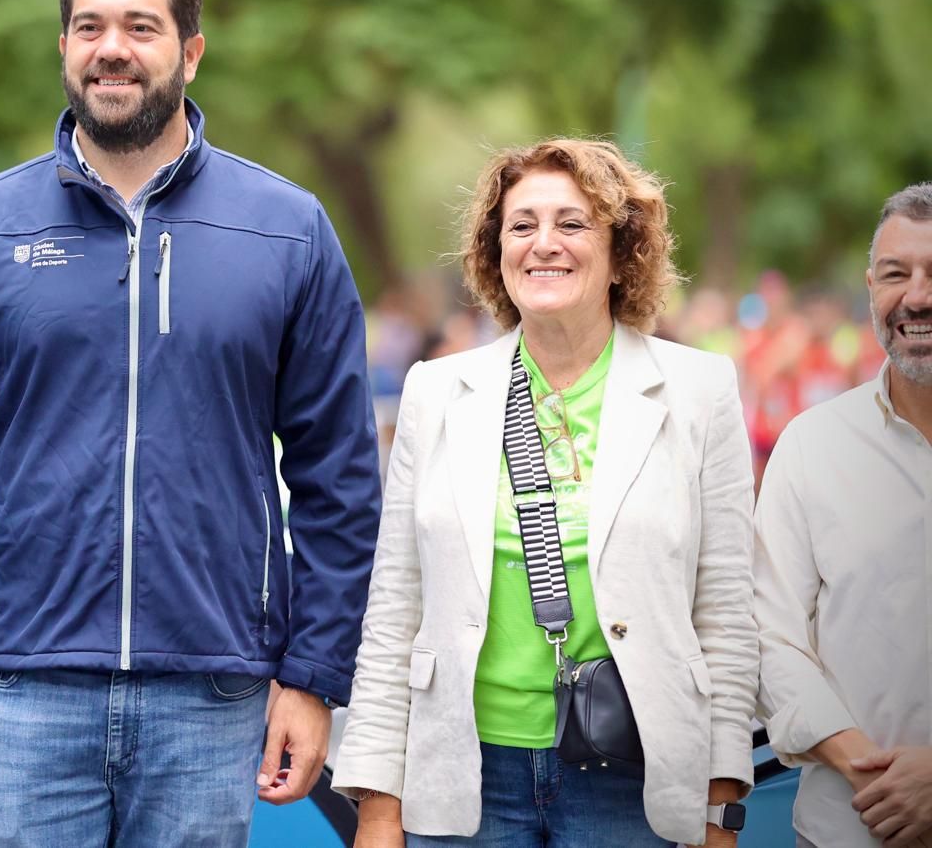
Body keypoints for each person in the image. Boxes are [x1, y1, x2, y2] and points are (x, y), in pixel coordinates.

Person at [0, 0, 382, 848]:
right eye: (89, 27)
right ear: (65, 48)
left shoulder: (287, 231)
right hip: (21, 689)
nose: (112, 47)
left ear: (190, 51)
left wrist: (312, 678)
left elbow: (340, 478)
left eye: (140, 26)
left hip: (214, 690)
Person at [333, 138, 758, 848]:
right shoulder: (436, 392)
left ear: (623, 251)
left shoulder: (698, 393)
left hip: (634, 781)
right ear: (495, 251)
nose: (543, 244)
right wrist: (378, 804)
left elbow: (726, 616)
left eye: (572, 223)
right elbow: (394, 608)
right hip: (466, 777)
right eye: (522, 225)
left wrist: (719, 809)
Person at [754, 181, 932, 848]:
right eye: (896, 274)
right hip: (845, 831)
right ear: (869, 288)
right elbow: (771, 640)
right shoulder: (812, 446)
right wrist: (882, 781)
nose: (917, 297)